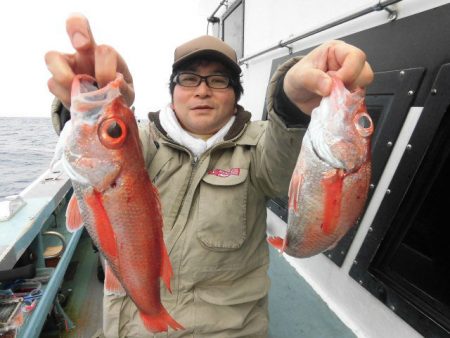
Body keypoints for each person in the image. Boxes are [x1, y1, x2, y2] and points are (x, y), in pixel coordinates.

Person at [46, 14, 373, 338]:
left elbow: (281, 163)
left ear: (235, 95)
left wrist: (291, 103)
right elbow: (95, 152)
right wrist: (77, 107)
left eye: (218, 80)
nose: (202, 91)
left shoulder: (260, 144)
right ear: (172, 91)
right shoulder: (139, 141)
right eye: (189, 79)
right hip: (133, 329)